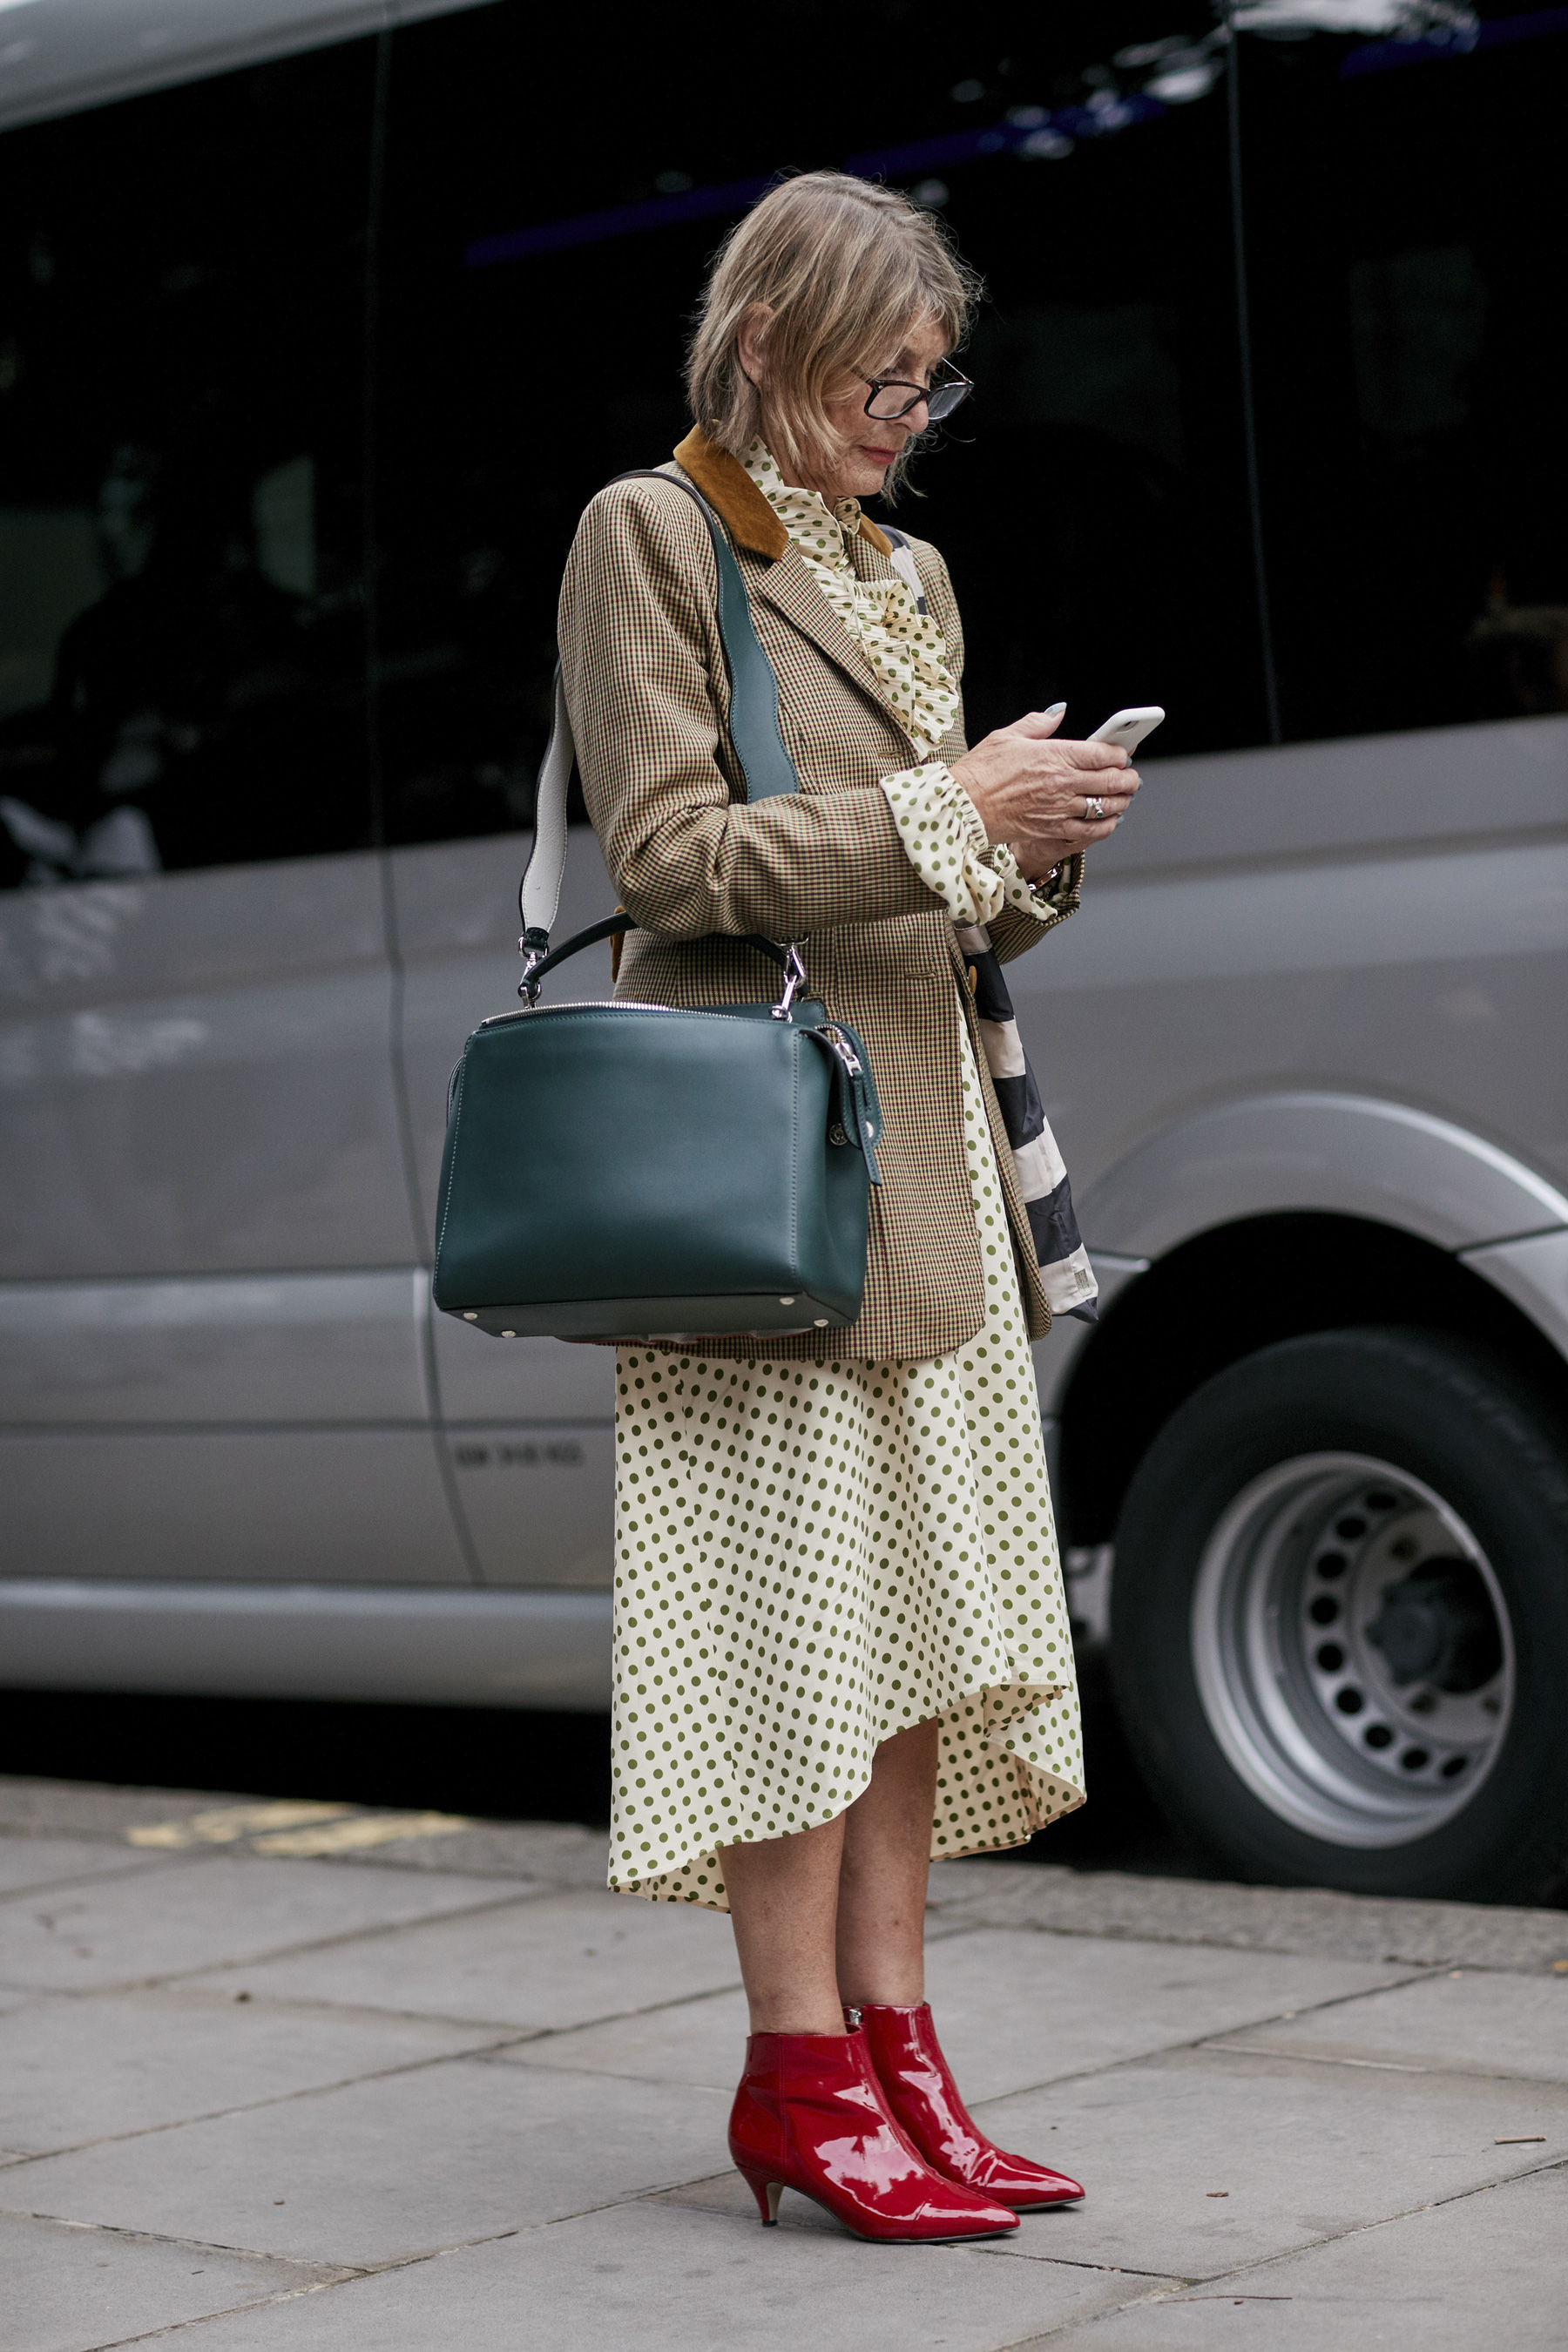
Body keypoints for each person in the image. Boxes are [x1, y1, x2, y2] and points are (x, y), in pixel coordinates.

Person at [557, 170, 1139, 2245]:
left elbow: (940, 898)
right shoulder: (652, 533)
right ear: (771, 343)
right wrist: (945, 808)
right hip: (766, 1188)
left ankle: (904, 2061)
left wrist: (1035, 837)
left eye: (930, 381)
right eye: (885, 376)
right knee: (801, 1645)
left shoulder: (912, 571)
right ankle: (797, 2076)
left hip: (933, 1169)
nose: (913, 413)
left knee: (912, 1641)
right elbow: (670, 863)